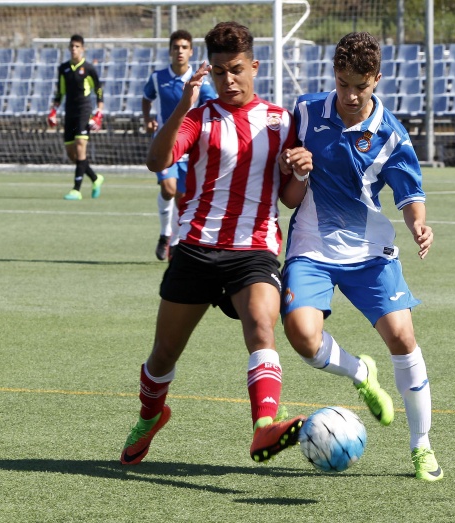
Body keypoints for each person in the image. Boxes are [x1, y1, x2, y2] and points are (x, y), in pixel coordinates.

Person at [120, 21, 309, 466]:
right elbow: (156, 161)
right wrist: (183, 106)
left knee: (262, 328)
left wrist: (301, 171)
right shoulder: (199, 119)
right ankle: (150, 416)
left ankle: (264, 428)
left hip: (255, 248)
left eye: (237, 70)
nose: (229, 80)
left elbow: (289, 197)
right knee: (164, 353)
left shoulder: (282, 122)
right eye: (220, 72)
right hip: (196, 247)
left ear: (254, 66)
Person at [278, 31, 443, 481]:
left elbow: (410, 195)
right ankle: (359, 372)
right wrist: (294, 169)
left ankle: (421, 446)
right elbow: (289, 198)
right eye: (343, 83)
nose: (350, 95)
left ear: (378, 80)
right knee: (303, 338)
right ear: (334, 74)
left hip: (370, 253)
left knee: (402, 338)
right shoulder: (308, 112)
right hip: (311, 247)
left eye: (361, 86)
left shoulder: (390, 133)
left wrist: (418, 225)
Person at [143, 30, 217, 261]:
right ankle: (165, 234)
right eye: (176, 47)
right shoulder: (158, 77)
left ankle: (174, 241)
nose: (180, 51)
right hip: (166, 144)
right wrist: (147, 119)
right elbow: (147, 98)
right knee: (168, 188)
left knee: (182, 196)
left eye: (184, 47)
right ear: (170, 51)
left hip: (189, 146)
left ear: (191, 51)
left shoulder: (199, 82)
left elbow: (212, 106)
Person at [48, 34, 105, 201]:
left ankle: (76, 189)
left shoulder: (88, 69)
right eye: (72, 46)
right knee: (73, 154)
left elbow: (98, 91)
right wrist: (53, 111)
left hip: (83, 111)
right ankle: (95, 178)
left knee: (81, 145)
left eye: (77, 46)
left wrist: (99, 112)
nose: (74, 49)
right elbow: (60, 92)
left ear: (83, 48)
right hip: (69, 112)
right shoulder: (63, 68)